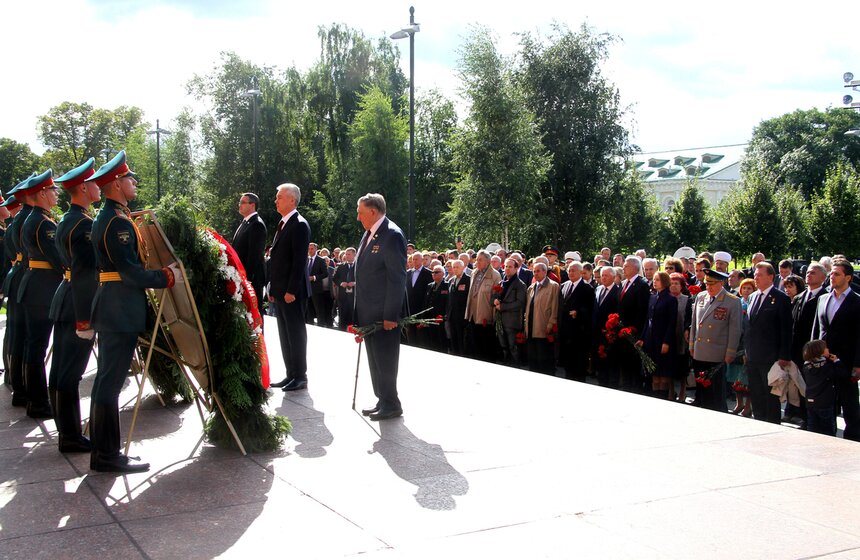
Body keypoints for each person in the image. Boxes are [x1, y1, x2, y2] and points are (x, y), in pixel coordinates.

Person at [89, 150, 179, 472]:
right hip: (119, 308)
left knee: (107, 381)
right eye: (130, 179)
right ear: (116, 184)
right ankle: (107, 456)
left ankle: (103, 453)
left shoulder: (112, 217)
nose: (134, 183)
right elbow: (129, 272)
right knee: (110, 383)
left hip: (114, 305)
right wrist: (165, 276)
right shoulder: (116, 223)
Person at [48, 158, 101, 452]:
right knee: (70, 372)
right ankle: (70, 437)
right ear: (82, 188)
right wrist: (85, 318)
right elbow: (84, 273)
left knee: (60, 370)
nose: (98, 187)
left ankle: (65, 431)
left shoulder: (68, 219)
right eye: (94, 183)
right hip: (76, 304)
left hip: (65, 298)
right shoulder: (83, 224)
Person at [354, 193, 407, 421]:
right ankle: (382, 399)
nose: (358, 217)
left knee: (385, 359)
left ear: (373, 212)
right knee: (375, 359)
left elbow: (397, 278)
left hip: (383, 313)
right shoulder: (370, 234)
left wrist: (391, 315)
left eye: (361, 212)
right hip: (369, 311)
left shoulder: (392, 235)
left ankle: (391, 403)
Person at [17, 169, 63, 418]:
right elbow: (58, 259)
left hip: (34, 286)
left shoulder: (34, 218)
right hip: (42, 289)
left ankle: (33, 398)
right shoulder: (43, 223)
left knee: (33, 345)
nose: (56, 193)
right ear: (43, 193)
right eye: (53, 190)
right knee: (37, 346)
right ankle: (38, 402)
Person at [268, 184, 312, 392]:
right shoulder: (283, 223)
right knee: (285, 335)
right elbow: (278, 260)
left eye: (280, 197)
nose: (276, 201)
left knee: (295, 334)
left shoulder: (299, 224)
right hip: (280, 290)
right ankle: (290, 374)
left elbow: (299, 261)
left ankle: (300, 376)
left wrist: (291, 290)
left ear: (292, 200)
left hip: (292, 292)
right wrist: (273, 289)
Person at [812, 259, 860, 441]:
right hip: (823, 361)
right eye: (831, 273)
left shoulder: (857, 301)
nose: (832, 276)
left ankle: (853, 439)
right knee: (825, 403)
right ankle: (826, 438)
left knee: (850, 405)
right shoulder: (823, 299)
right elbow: (817, 330)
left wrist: (857, 364)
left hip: (846, 362)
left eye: (837, 274)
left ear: (848, 277)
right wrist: (812, 355)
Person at [745, 262, 793, 423]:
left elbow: (786, 330)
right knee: (756, 393)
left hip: (771, 357)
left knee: (770, 395)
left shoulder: (781, 298)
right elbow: (749, 327)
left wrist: (784, 356)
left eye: (760, 275)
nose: (756, 278)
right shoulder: (753, 297)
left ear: (771, 277)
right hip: (753, 355)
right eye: (755, 275)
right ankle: (759, 421)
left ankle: (772, 424)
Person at [689, 269, 742, 412]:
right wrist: (691, 345)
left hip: (717, 352)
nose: (709, 287)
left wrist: (730, 352)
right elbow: (694, 323)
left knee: (716, 391)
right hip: (700, 350)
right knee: (702, 388)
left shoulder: (732, 301)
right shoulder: (701, 296)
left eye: (712, 284)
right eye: (707, 284)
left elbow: (735, 330)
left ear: (721, 283)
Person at [2, 177, 34, 407]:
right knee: (27, 339)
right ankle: (25, 390)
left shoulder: (17, 221)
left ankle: (17, 383)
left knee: (17, 335)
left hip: (19, 276)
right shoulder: (28, 220)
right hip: (26, 277)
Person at [638, 271, 678, 397]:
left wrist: (666, 342)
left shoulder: (671, 299)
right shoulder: (652, 297)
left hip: (662, 339)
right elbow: (647, 319)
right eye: (654, 280)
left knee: (663, 374)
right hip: (651, 339)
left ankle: (663, 396)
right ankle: (655, 396)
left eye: (658, 280)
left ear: (665, 282)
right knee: (654, 374)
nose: (654, 282)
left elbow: (672, 323)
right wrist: (642, 338)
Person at [617, 256, 650, 392]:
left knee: (633, 363)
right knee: (624, 361)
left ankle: (635, 389)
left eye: (626, 266)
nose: (623, 268)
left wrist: (635, 330)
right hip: (622, 331)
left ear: (635, 268)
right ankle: (626, 387)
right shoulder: (624, 283)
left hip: (634, 332)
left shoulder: (642, 285)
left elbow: (642, 311)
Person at [557, 261, 594, 382]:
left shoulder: (587, 288)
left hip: (579, 333)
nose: (571, 273)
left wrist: (579, 313)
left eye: (573, 270)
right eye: (569, 270)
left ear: (581, 272)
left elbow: (590, 309)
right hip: (565, 331)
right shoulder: (564, 285)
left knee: (578, 367)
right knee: (567, 365)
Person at [232, 192, 267, 319]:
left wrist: (246, 279)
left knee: (254, 313)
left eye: (243, 202)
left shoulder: (256, 224)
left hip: (252, 278)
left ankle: (258, 333)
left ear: (252, 205)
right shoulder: (245, 223)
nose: (239, 205)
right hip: (242, 276)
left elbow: (254, 255)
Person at [465, 249, 502, 362]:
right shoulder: (474, 273)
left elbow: (497, 297)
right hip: (473, 315)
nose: (477, 262)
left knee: (487, 346)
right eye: (477, 259)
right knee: (476, 346)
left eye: (480, 260)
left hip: (486, 316)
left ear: (488, 261)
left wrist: (494, 318)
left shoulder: (495, 275)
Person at [801, 340, 843, 437]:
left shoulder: (806, 367)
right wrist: (837, 361)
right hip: (825, 402)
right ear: (820, 352)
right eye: (825, 348)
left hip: (810, 402)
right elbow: (841, 374)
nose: (828, 349)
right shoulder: (826, 367)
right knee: (827, 430)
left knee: (812, 427)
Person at [524, 262, 559, 374]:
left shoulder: (553, 286)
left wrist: (551, 323)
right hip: (531, 328)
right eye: (534, 271)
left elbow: (555, 306)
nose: (536, 273)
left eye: (538, 271)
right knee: (533, 359)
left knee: (544, 359)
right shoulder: (531, 287)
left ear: (545, 271)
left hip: (544, 328)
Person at [494, 257, 526, 365]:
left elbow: (520, 303)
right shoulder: (501, 282)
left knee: (513, 347)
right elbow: (494, 296)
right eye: (506, 266)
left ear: (516, 268)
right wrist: (495, 300)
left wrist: (503, 307)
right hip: (500, 320)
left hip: (512, 321)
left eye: (510, 267)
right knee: (503, 346)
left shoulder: (520, 284)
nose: (507, 269)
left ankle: (515, 366)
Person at [593, 266, 620, 388]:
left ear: (614, 277)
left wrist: (612, 330)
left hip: (610, 334)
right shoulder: (598, 289)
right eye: (602, 275)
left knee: (611, 363)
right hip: (597, 332)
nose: (603, 278)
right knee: (600, 364)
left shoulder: (618, 291)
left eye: (606, 275)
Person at [668, 272, 691, 402]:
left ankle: (683, 391)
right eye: (671, 283)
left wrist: (687, 329)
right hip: (669, 335)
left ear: (682, 286)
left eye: (677, 283)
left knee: (682, 366)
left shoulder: (687, 299)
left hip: (682, 336)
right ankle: (671, 390)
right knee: (670, 364)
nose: (674, 286)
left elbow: (689, 318)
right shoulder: (667, 298)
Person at [446, 259, 470, 356]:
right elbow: (449, 298)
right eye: (454, 267)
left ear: (463, 268)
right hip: (452, 315)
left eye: (457, 267)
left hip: (462, 314)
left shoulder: (468, 280)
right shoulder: (451, 280)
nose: (455, 269)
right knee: (453, 338)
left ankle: (462, 355)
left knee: (462, 338)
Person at [422, 264, 449, 352]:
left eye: (436, 272)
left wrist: (444, 316)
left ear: (443, 274)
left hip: (440, 318)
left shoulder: (447, 285)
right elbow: (426, 302)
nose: (434, 274)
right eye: (433, 272)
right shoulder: (430, 285)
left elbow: (448, 303)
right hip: (430, 317)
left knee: (441, 340)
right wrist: (424, 317)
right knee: (431, 340)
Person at [306, 242, 330, 327]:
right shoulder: (306, 259)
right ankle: (309, 325)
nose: (310, 250)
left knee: (319, 310)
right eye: (309, 249)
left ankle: (321, 326)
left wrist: (314, 277)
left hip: (316, 289)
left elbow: (325, 273)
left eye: (312, 248)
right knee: (308, 310)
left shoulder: (320, 260)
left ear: (316, 249)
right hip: (306, 289)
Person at [332, 247, 356, 330]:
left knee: (353, 317)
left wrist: (355, 283)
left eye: (349, 254)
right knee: (342, 317)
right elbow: (334, 278)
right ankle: (342, 331)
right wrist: (341, 283)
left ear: (354, 255)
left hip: (355, 297)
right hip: (343, 296)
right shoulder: (341, 266)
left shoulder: (359, 266)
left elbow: (364, 279)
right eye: (346, 254)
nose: (347, 256)